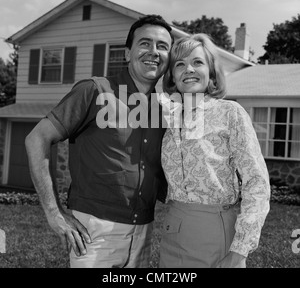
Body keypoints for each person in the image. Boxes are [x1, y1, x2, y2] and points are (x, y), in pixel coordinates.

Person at [25, 14, 173, 268]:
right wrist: (54, 212)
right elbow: (36, 138)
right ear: (127, 53)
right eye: (145, 43)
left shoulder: (164, 109)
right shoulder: (95, 90)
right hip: (95, 232)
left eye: (162, 46)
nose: (153, 52)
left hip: (144, 231)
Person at [159, 34, 270, 268]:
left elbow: (256, 182)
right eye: (180, 64)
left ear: (211, 71)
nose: (188, 69)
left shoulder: (230, 112)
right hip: (172, 230)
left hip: (215, 232)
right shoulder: (167, 118)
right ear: (172, 76)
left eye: (197, 62)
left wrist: (239, 251)